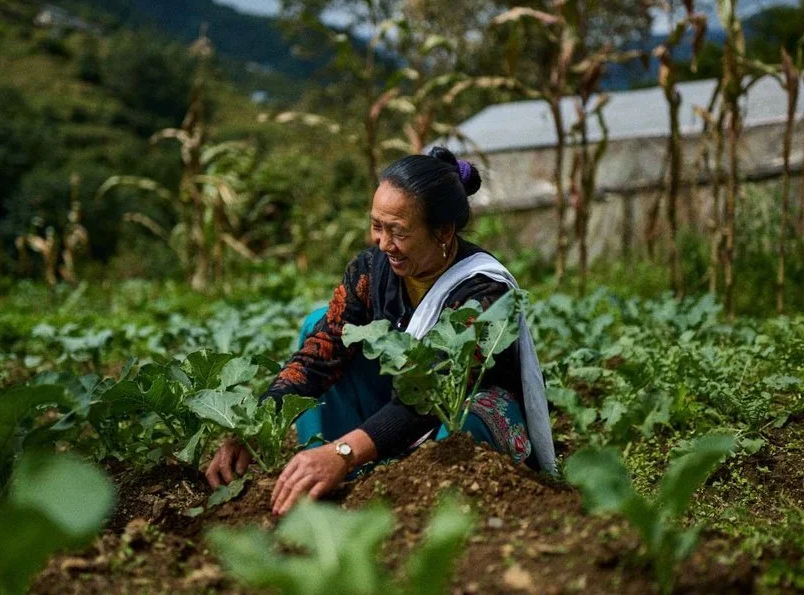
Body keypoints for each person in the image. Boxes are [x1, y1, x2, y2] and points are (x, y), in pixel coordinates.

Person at [205, 147, 555, 515]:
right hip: (398, 404)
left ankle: (404, 486)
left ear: (443, 232)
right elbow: (319, 357)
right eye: (377, 226)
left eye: (398, 231)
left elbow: (429, 395)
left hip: (456, 414)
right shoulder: (371, 271)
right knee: (320, 327)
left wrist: (344, 451)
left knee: (466, 426)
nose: (383, 243)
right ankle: (334, 472)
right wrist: (255, 426)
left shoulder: (484, 293)